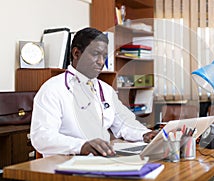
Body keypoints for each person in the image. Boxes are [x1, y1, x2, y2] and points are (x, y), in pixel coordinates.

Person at [30, 27, 157, 157]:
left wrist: (145, 134)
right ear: (76, 53)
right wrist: (82, 146)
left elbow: (124, 123)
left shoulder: (105, 89)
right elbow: (42, 136)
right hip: (65, 164)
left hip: (101, 160)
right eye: (95, 54)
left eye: (104, 56)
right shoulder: (53, 89)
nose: (101, 62)